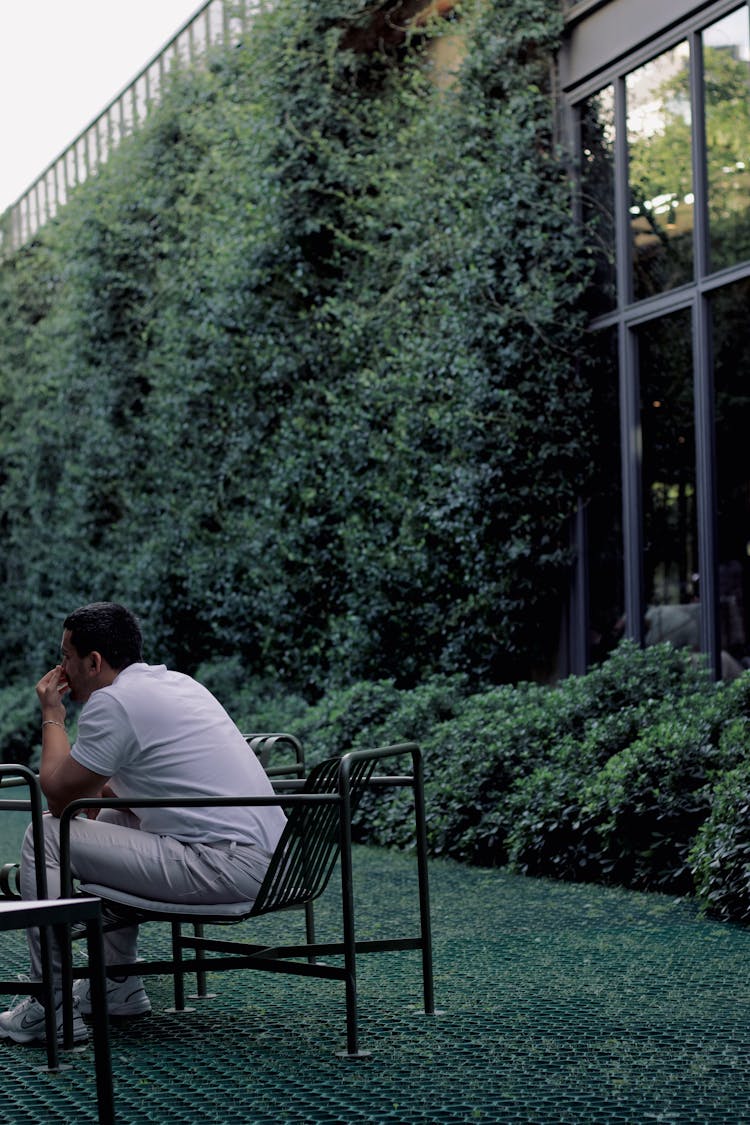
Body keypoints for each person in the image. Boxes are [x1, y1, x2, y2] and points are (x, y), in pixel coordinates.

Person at [0, 602, 287, 1045]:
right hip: (276, 864)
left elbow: (58, 797)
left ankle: (51, 1005)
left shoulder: (113, 704)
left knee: (45, 837)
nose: (61, 667)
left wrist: (52, 716)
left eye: (66, 656)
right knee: (115, 815)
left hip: (227, 867)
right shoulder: (176, 684)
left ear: (93, 662)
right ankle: (118, 983)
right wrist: (88, 799)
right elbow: (90, 806)